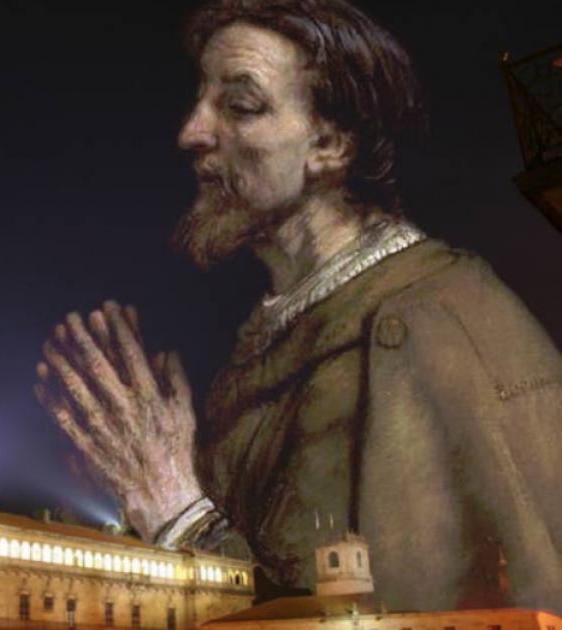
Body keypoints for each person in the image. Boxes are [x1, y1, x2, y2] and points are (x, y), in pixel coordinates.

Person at [35, 0, 562, 611]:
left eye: (239, 107)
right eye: (202, 100)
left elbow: (402, 612)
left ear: (331, 144)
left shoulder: (437, 319)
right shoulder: (265, 346)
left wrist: (181, 515)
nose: (193, 133)